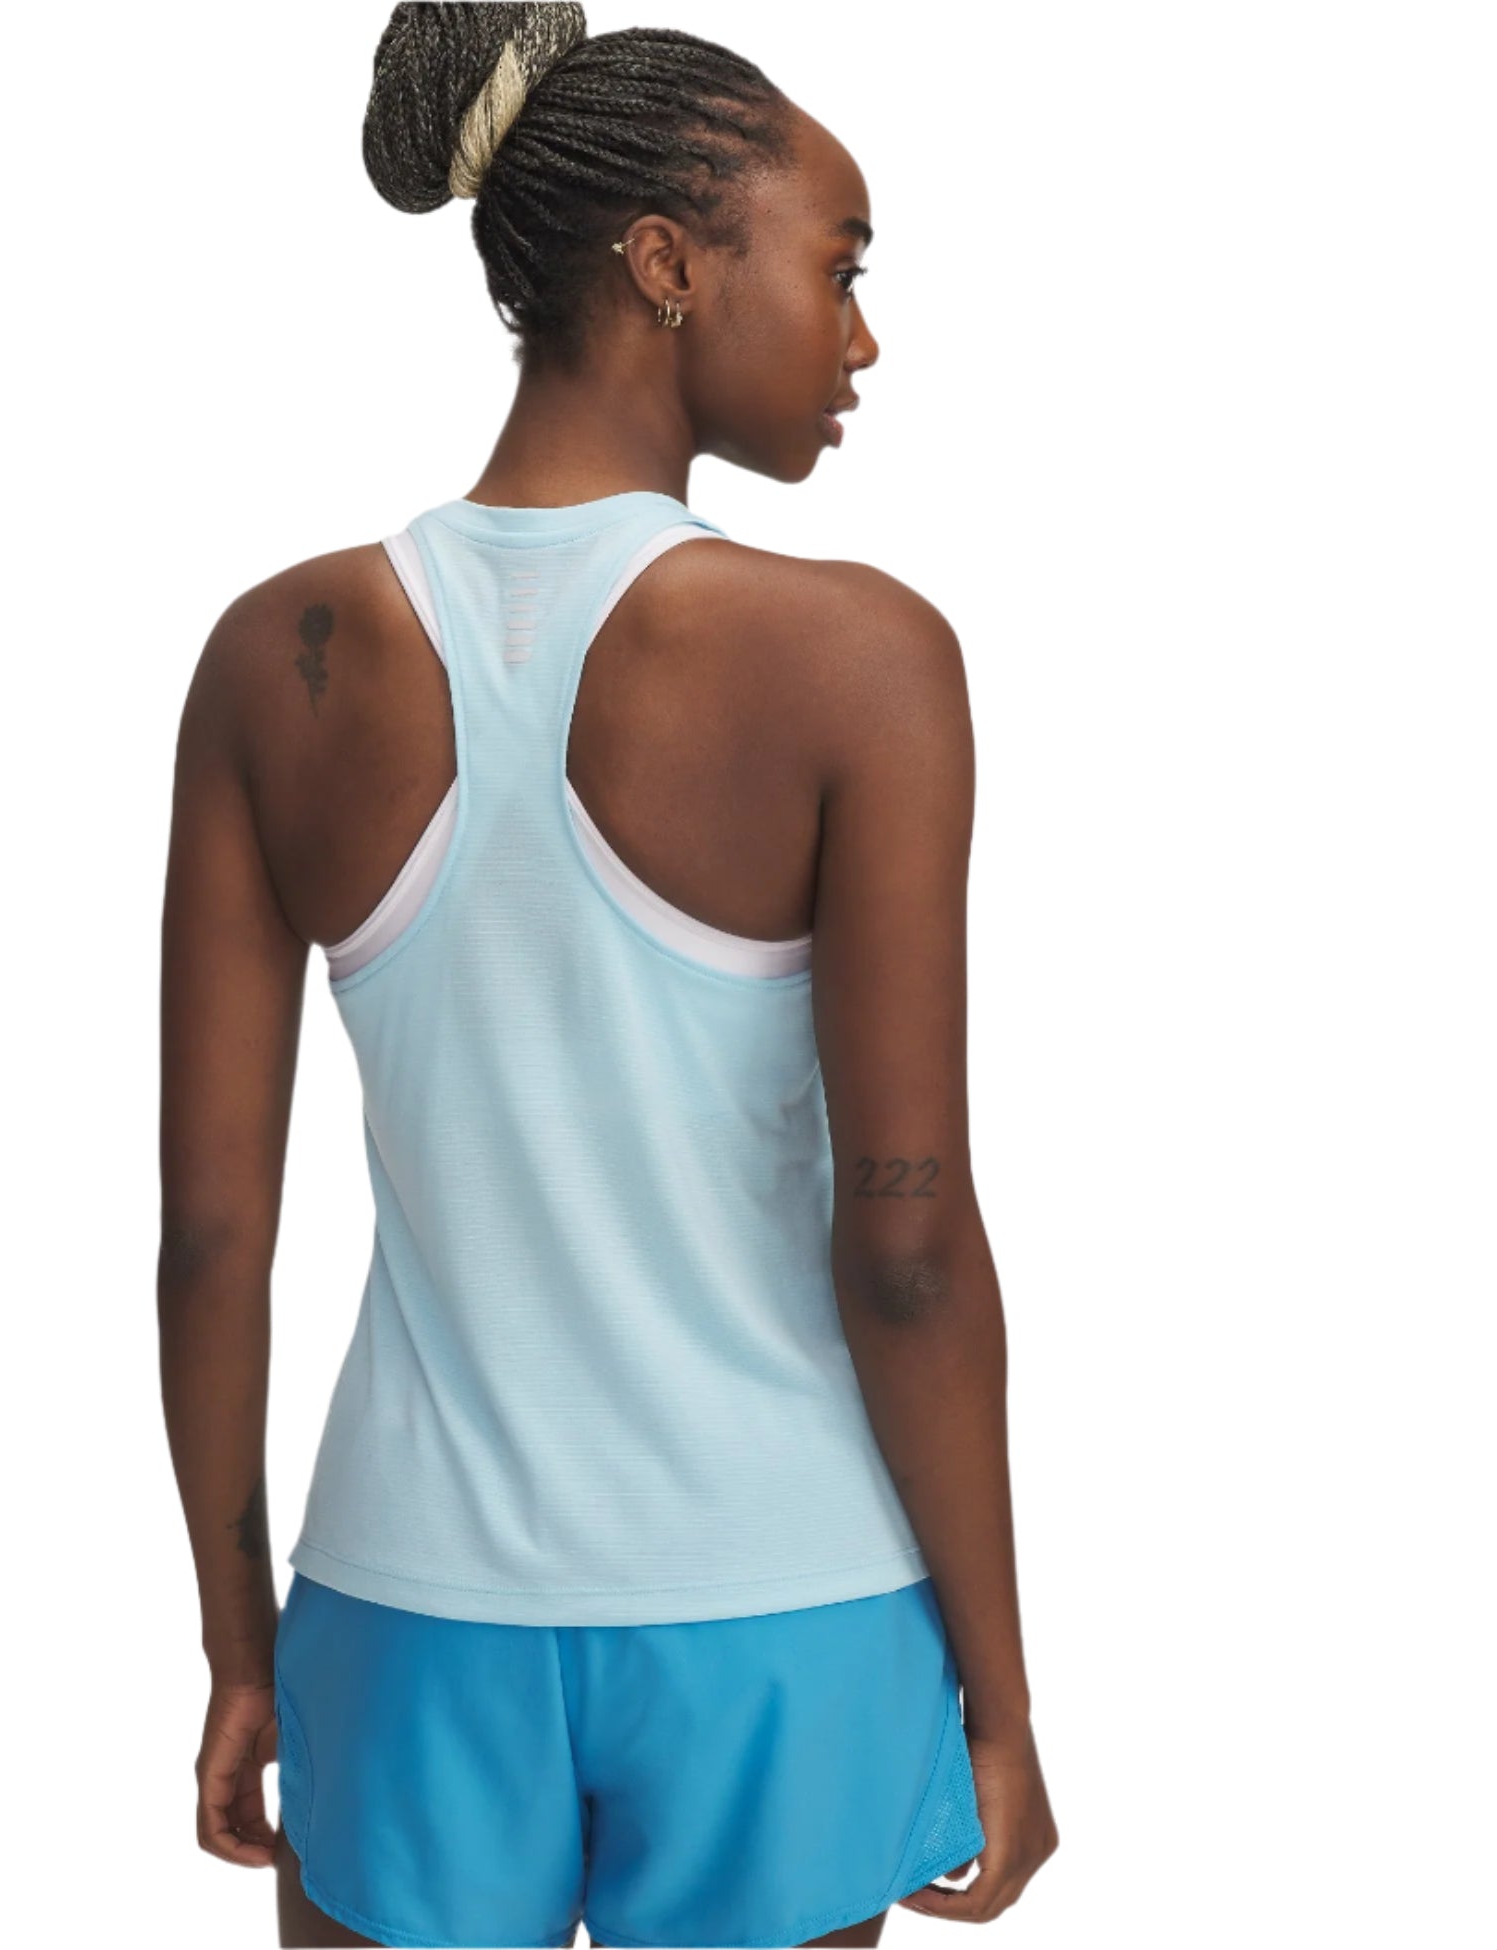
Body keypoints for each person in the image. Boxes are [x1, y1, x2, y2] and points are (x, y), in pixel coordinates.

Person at [157, 6, 1058, 1944]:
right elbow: (906, 1243)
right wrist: (998, 1692)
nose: (864, 339)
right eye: (843, 267)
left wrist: (240, 1649)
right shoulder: (862, 663)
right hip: (781, 1613)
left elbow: (213, 1239)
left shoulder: (275, 659)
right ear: (666, 262)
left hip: (404, 1616)